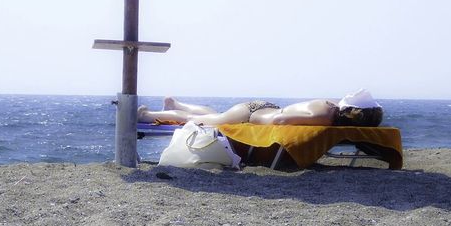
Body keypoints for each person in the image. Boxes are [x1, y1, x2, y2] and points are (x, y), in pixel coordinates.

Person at [137, 95, 383, 127]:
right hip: (252, 114)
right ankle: (147, 116)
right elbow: (281, 120)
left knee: (212, 114)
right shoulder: (322, 116)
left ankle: (174, 105)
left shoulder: (328, 104)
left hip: (258, 108)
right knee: (200, 121)